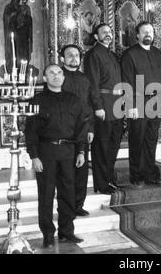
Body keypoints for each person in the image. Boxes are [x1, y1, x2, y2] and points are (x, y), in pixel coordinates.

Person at [25, 64, 87, 248]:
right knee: (46, 194)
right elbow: (31, 132)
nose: (56, 76)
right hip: (46, 153)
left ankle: (66, 232)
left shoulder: (73, 100)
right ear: (45, 77)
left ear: (63, 77)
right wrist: (34, 156)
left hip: (69, 153)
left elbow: (81, 129)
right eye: (51, 73)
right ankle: (47, 234)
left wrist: (81, 151)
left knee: (68, 193)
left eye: (59, 72)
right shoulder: (36, 101)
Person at [121, 21, 161, 188]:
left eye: (150, 31)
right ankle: (136, 176)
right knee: (137, 140)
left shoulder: (158, 54)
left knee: (151, 139)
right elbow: (126, 80)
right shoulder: (130, 54)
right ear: (137, 35)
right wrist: (130, 105)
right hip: (137, 101)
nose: (148, 34)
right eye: (144, 31)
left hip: (155, 101)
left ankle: (151, 175)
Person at [84, 24, 124, 194]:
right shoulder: (92, 55)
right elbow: (92, 83)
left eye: (110, 32)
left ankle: (109, 179)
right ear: (95, 36)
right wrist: (98, 107)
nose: (108, 35)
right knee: (101, 147)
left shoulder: (113, 55)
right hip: (103, 106)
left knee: (113, 145)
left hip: (117, 105)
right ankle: (101, 184)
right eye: (104, 32)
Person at [60, 44, 94, 216]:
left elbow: (89, 105)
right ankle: (65, 206)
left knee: (81, 170)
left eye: (76, 55)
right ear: (62, 59)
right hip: (63, 131)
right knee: (66, 171)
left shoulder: (85, 79)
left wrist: (91, 129)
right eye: (70, 55)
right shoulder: (57, 77)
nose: (74, 58)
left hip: (82, 130)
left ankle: (78, 205)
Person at [3, 0, 22, 74]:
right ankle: (10, 67)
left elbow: (26, 19)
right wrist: (11, 15)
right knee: (11, 48)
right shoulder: (8, 7)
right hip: (10, 29)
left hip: (20, 32)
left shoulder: (21, 7)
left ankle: (20, 67)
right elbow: (5, 18)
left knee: (19, 50)